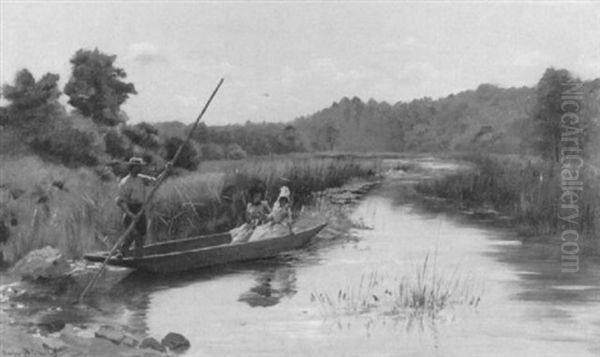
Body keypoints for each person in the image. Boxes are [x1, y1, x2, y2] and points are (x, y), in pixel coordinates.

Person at [115, 157, 169, 258]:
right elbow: (120, 201)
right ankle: (121, 253)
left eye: (140, 167)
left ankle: (139, 258)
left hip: (140, 209)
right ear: (132, 167)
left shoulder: (141, 178)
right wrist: (131, 214)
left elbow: (156, 181)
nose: (140, 169)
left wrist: (166, 170)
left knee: (141, 235)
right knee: (131, 235)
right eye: (137, 167)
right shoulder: (125, 182)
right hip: (129, 210)